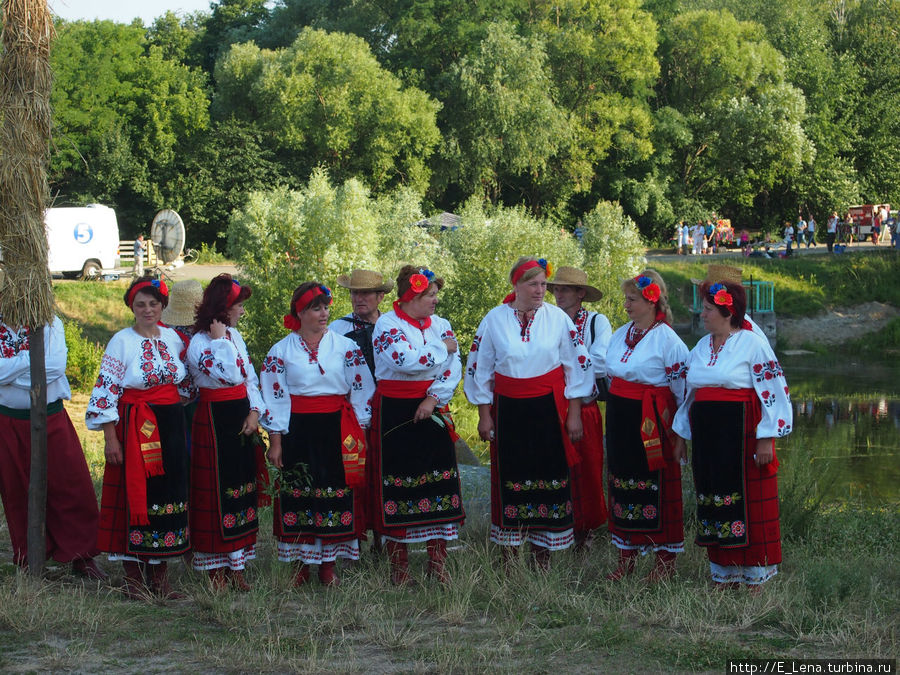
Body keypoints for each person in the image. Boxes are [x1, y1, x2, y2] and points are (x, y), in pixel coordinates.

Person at [464, 257, 593, 572]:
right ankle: (509, 559)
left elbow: (575, 365)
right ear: (516, 285)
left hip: (548, 410)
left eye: (543, 284)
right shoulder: (494, 319)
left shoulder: (558, 320)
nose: (540, 290)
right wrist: (484, 414)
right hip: (508, 410)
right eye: (533, 284)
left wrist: (574, 413)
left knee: (547, 477)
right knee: (512, 477)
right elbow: (480, 368)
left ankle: (542, 558)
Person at [673, 280, 792, 591]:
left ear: (727, 312)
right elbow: (689, 395)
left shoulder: (752, 344)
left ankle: (754, 578)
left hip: (741, 435)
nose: (702, 314)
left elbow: (773, 390)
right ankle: (725, 574)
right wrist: (681, 435)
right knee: (713, 498)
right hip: (708, 438)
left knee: (748, 503)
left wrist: (767, 437)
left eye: (708, 309)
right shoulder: (700, 348)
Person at [261, 282, 374, 588]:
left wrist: (361, 428)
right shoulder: (281, 351)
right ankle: (300, 565)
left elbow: (362, 389)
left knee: (332, 491)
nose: (324, 313)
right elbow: (275, 398)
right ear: (300, 312)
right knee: (299, 492)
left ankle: (327, 566)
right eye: (316, 308)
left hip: (335, 428)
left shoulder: (345, 347)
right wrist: (276, 441)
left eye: (326, 307)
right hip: (297, 429)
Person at [86, 276, 192, 599]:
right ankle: (134, 579)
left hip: (170, 425)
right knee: (135, 497)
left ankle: (160, 577)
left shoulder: (173, 338)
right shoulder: (121, 341)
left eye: (154, 303)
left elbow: (186, 382)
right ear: (132, 307)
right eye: (140, 304)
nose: (148, 309)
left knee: (167, 494)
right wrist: (110, 438)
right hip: (135, 425)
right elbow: (106, 389)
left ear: (163, 306)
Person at [0, 272, 105, 579]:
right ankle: (31, 558)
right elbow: (40, 367)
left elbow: (55, 365)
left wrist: (12, 371)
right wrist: (32, 364)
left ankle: (82, 556)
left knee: (70, 486)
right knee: (17, 490)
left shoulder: (49, 323)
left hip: (51, 416)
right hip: (9, 421)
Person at [370, 266, 464, 585]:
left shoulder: (441, 324)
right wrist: (442, 349)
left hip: (431, 407)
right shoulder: (387, 324)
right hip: (397, 410)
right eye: (430, 295)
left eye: (436, 294)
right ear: (412, 295)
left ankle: (437, 564)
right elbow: (405, 361)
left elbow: (454, 367)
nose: (436, 300)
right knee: (400, 483)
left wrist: (433, 398)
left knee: (438, 483)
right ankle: (400, 569)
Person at [604, 270, 689, 582]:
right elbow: (610, 375)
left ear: (652, 301)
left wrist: (679, 434)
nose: (626, 305)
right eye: (626, 298)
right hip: (620, 418)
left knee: (655, 483)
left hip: (652, 423)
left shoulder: (668, 340)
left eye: (632, 299)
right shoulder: (621, 334)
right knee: (621, 482)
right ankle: (625, 559)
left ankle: (664, 563)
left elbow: (683, 392)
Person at [186, 274, 266, 592]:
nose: (242, 312)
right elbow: (228, 374)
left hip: (240, 418)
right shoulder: (200, 344)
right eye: (239, 306)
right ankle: (215, 571)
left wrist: (255, 411)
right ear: (223, 307)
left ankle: (237, 566)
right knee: (215, 492)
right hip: (214, 420)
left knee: (240, 489)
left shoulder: (235, 336)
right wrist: (221, 341)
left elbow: (249, 378)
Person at [548, 266, 610, 553]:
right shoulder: (546, 321)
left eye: (565, 289)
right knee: (553, 469)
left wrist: (564, 368)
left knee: (587, 469)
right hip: (550, 406)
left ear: (580, 294)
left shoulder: (597, 323)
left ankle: (584, 535)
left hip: (584, 408)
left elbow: (599, 361)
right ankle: (552, 532)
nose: (558, 294)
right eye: (556, 289)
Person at [330, 269, 394, 379]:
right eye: (354, 293)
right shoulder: (336, 329)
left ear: (380, 297)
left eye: (365, 293)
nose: (358, 299)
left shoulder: (393, 326)